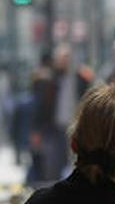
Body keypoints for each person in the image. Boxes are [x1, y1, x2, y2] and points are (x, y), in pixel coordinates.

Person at [29, 44, 93, 185]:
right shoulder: (49, 80)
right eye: (61, 58)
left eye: (67, 58)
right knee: (53, 166)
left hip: (78, 129)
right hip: (54, 129)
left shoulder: (81, 79)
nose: (64, 62)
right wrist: (36, 130)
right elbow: (40, 107)